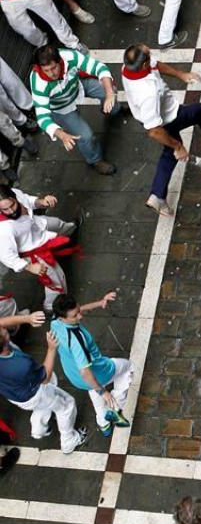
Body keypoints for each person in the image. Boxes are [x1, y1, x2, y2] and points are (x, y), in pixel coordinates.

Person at [120, 43, 201, 216]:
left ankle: (158, 195)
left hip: (157, 115)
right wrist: (178, 146)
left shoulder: (130, 66)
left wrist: (181, 74)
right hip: (168, 117)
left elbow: (155, 64)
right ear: (143, 64)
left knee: (169, 154)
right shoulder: (147, 93)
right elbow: (154, 131)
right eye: (147, 53)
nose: (149, 50)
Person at [30, 43, 119, 175]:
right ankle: (95, 160)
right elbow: (42, 118)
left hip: (78, 87)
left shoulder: (70, 56)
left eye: (53, 68)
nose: (51, 74)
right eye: (46, 70)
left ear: (59, 61)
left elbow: (99, 67)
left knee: (110, 89)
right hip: (62, 108)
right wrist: (62, 135)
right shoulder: (39, 84)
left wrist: (110, 93)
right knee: (86, 137)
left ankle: (112, 109)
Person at [51, 291, 132, 436]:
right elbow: (85, 372)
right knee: (127, 368)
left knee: (92, 388)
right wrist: (104, 392)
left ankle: (103, 423)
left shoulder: (55, 322)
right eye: (75, 316)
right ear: (63, 318)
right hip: (95, 371)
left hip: (74, 376)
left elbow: (80, 310)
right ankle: (115, 408)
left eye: (78, 310)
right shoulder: (76, 340)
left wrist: (100, 302)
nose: (80, 316)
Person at [0, 325, 89, 453]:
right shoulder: (20, 365)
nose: (3, 326)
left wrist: (27, 319)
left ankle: (39, 429)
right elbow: (45, 377)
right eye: (1, 329)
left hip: (14, 395)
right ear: (3, 339)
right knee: (66, 406)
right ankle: (68, 442)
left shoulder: (7, 354)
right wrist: (52, 349)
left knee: (51, 384)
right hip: (35, 393)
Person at [0, 183, 77, 310]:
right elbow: (7, 257)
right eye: (5, 209)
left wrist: (41, 201)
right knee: (57, 280)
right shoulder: (3, 230)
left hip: (38, 226)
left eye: (12, 205)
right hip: (34, 252)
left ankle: (71, 229)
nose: (11, 211)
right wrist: (30, 267)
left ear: (14, 197)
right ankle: (51, 307)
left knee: (58, 224)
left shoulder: (15, 193)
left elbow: (27, 199)